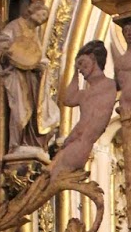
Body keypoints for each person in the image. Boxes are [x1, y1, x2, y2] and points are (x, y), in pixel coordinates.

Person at [49, 40, 116, 179]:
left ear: (93, 58)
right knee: (47, 180)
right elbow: (68, 99)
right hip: (75, 145)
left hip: (79, 146)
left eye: (82, 63)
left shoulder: (108, 86)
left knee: (50, 180)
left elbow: (86, 124)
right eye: (78, 66)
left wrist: (69, 140)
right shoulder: (86, 93)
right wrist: (74, 72)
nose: (80, 69)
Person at [0, 0, 56, 152]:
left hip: (32, 77)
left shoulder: (35, 33)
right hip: (16, 74)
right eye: (42, 14)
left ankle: (29, 142)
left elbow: (37, 55)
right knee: (20, 110)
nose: (42, 19)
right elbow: (4, 46)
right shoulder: (15, 26)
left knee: (37, 109)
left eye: (45, 17)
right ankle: (17, 144)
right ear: (32, 11)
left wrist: (41, 65)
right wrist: (13, 56)